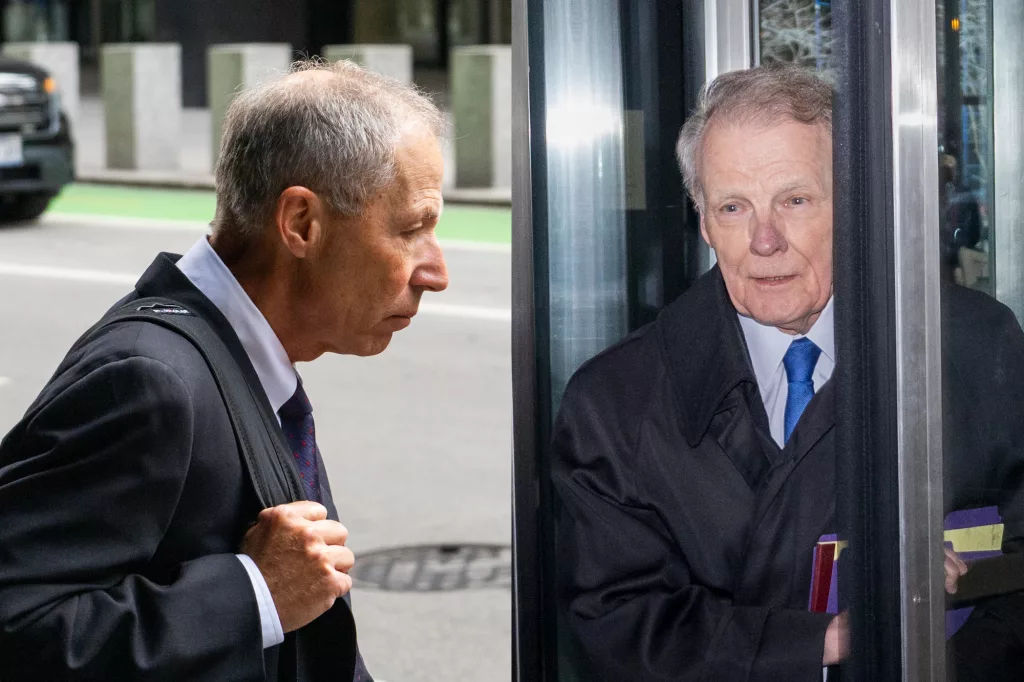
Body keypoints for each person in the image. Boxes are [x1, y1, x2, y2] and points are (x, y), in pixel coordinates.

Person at [551, 63, 1024, 681]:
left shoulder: (972, 347)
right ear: (703, 224)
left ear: (855, 206)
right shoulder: (613, 401)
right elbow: (617, 621)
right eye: (733, 207)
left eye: (795, 201)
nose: (764, 239)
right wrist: (826, 640)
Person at [0, 59, 448, 681]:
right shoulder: (150, 381)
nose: (436, 273)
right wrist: (252, 593)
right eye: (412, 230)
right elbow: (17, 627)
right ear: (301, 223)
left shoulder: (243, 358)